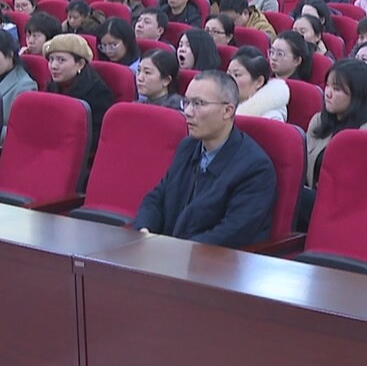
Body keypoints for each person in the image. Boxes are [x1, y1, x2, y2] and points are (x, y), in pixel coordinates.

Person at [132, 70, 277, 247]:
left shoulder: (255, 168)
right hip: (168, 252)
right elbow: (157, 197)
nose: (188, 112)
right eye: (186, 102)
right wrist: (145, 229)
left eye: (198, 104)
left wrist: (174, 250)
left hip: (211, 260)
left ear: (227, 111)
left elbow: (232, 233)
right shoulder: (188, 147)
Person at [304, 58, 367, 187]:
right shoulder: (318, 121)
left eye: (336, 89)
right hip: (312, 193)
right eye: (327, 86)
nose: (328, 94)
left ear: (357, 95)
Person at [42, 34, 114, 154]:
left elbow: (95, 139)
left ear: (80, 64)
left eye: (61, 60)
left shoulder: (98, 93)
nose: (53, 66)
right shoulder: (52, 86)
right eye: (51, 59)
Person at [227, 46, 287, 120]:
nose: (229, 79)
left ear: (259, 82)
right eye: (228, 74)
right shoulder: (222, 105)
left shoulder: (272, 118)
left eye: (237, 75)